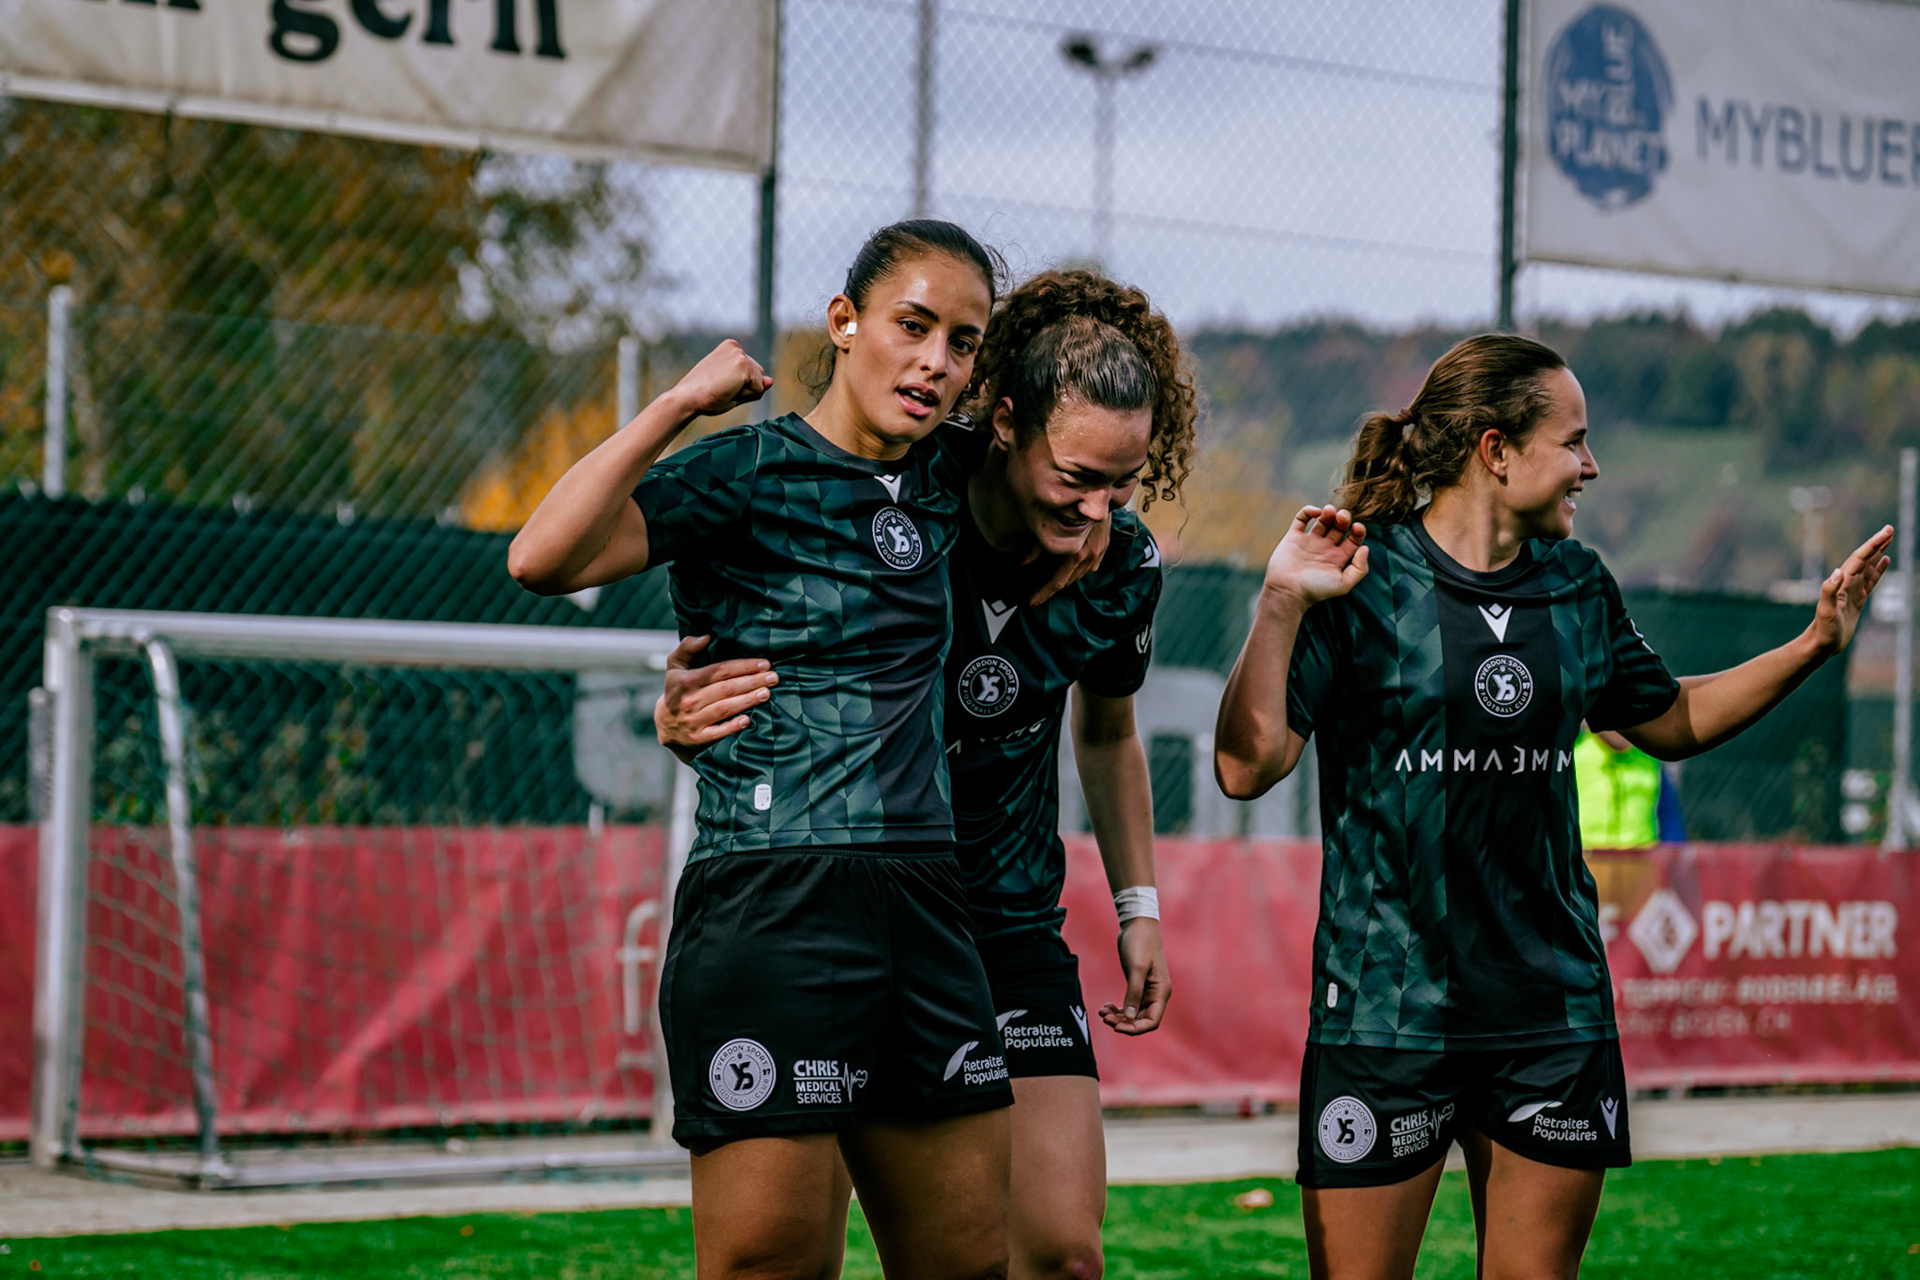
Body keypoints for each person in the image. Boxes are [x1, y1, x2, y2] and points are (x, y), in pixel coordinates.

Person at [1212, 333, 1889, 1280]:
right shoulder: (1361, 582)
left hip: (1549, 1012)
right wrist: (1281, 602)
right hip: (1384, 1012)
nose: (1592, 464)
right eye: (1573, 441)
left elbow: (1671, 717)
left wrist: (1815, 643)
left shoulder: (1577, 586)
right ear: (1496, 449)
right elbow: (1247, 767)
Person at [508, 220, 1094, 1278]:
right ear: (845, 322)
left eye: (962, 343)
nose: (933, 361)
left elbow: (1079, 484)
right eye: (912, 326)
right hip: (770, 900)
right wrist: (678, 407)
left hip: (928, 904)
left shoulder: (959, 476)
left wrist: (1098, 522)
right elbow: (542, 557)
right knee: (769, 1264)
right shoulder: (745, 471)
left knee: (971, 1263)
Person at [656, 269, 1200, 1279]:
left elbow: (1111, 732)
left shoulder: (1122, 561)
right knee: (783, 1253)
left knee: (1060, 1252)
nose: (1100, 511)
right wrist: (682, 705)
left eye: (1122, 486)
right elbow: (771, 621)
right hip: (844, 902)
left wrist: (1139, 902)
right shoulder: (900, 493)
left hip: (1005, 922)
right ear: (1005, 425)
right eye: (1076, 476)